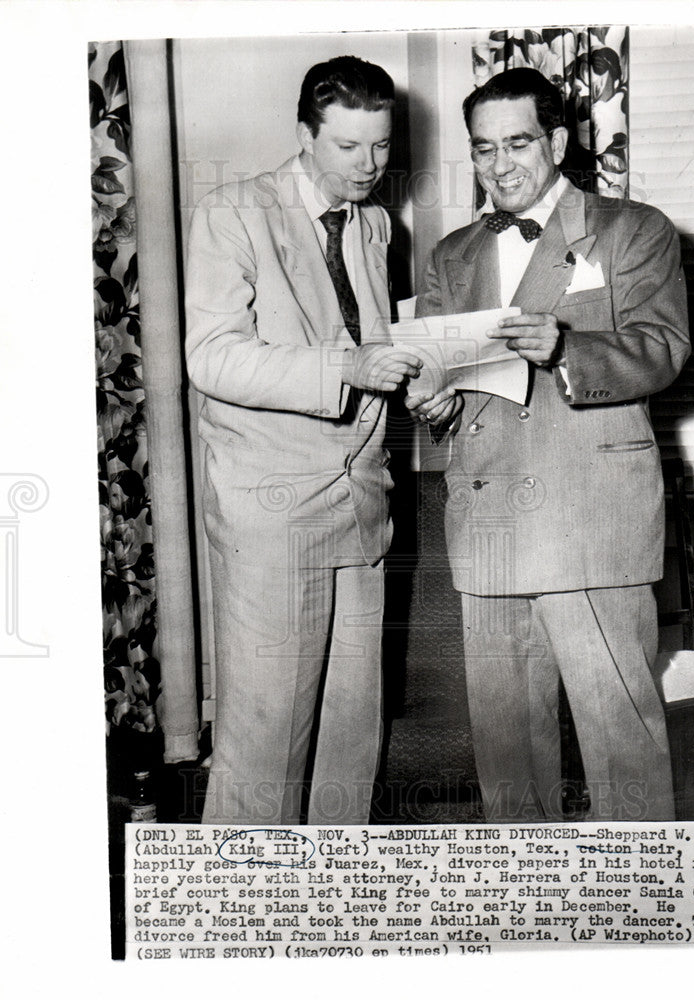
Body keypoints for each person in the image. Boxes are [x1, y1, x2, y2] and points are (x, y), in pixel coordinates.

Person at [408, 67, 690, 822]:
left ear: (558, 141)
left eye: (518, 143)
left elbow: (662, 348)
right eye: (482, 148)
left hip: (587, 519)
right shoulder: (450, 255)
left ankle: (640, 905)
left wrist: (565, 348)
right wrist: (430, 402)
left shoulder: (634, 229)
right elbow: (444, 389)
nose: (499, 164)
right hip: (489, 526)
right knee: (506, 754)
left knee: (618, 740)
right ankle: (529, 911)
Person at [185, 56, 422, 825]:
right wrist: (343, 367)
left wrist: (421, 377)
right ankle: (235, 919)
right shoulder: (234, 211)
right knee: (265, 740)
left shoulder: (377, 223)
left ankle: (330, 916)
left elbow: (372, 342)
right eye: (348, 148)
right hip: (272, 511)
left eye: (381, 147)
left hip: (360, 502)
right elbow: (210, 356)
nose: (368, 166)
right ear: (304, 135)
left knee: (352, 737)